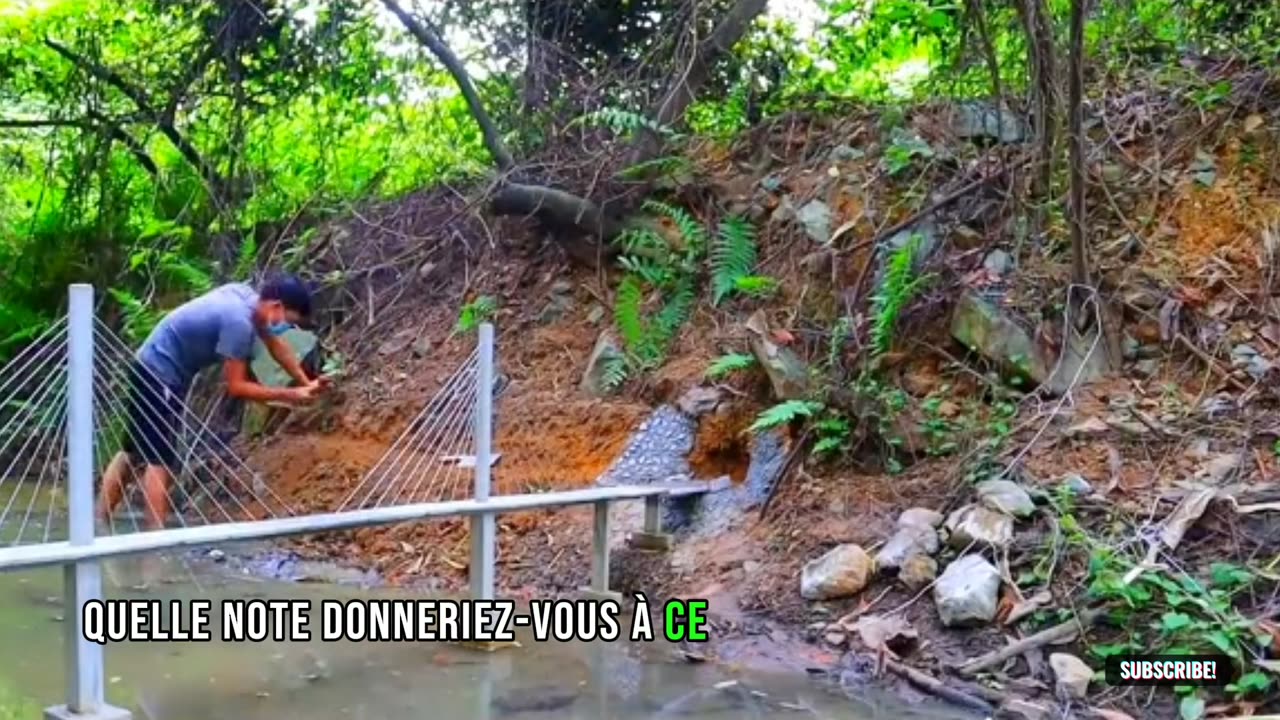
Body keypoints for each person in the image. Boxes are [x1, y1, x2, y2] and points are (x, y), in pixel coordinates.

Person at [98, 274, 329, 531]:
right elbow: (236, 386)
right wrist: (291, 395)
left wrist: (304, 382)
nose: (284, 328)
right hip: (160, 373)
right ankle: (155, 547)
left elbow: (276, 347)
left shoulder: (249, 300)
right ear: (276, 307)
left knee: (132, 450)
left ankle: (99, 524)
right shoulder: (238, 324)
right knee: (159, 461)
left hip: (148, 363)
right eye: (287, 322)